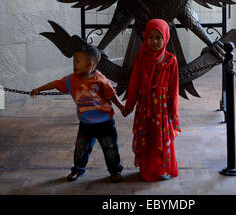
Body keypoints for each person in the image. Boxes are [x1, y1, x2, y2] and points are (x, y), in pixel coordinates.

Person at [31, 44, 125, 183]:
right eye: (74, 60)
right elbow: (55, 84)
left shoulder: (100, 79)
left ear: (89, 65)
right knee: (81, 149)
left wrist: (121, 107)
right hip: (86, 124)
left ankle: (115, 171)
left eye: (77, 61)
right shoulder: (71, 80)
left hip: (105, 123)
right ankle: (77, 170)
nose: (74, 64)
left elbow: (111, 94)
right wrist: (39, 89)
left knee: (110, 148)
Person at [122, 18, 181, 181]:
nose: (154, 41)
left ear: (166, 38)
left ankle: (163, 168)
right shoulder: (140, 58)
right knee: (147, 138)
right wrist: (129, 106)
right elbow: (134, 83)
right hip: (145, 107)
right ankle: (147, 169)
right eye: (151, 37)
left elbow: (174, 88)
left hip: (162, 109)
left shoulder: (171, 60)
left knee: (162, 137)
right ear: (145, 37)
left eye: (159, 37)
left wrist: (173, 111)